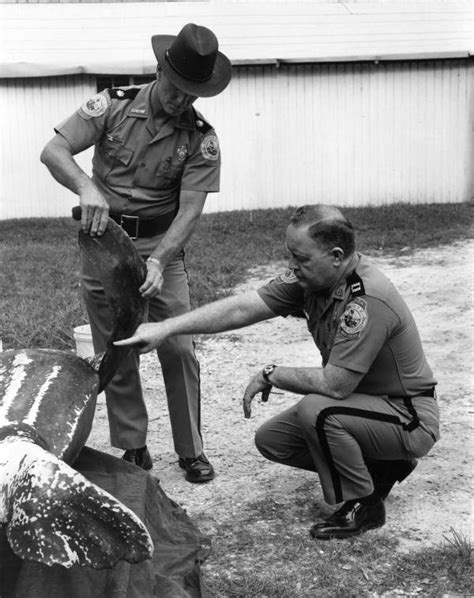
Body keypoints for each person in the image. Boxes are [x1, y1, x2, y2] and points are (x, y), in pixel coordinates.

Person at [115, 204, 440, 539]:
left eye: (301, 258)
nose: (292, 266)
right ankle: (383, 465)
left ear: (337, 256)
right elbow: (243, 307)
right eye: (290, 255)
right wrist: (167, 327)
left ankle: (365, 504)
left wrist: (272, 373)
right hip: (365, 406)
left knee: (319, 410)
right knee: (274, 440)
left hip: (407, 416)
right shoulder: (313, 279)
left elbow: (336, 385)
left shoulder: (367, 298)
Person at [40, 23, 232, 483]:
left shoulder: (201, 138)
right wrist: (87, 187)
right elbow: (54, 150)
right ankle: (133, 447)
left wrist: (160, 261)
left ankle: (191, 451)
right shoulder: (113, 105)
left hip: (160, 247)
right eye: (177, 89)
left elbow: (190, 211)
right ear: (161, 70)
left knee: (179, 348)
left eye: (192, 95)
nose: (182, 101)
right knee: (116, 349)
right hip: (104, 243)